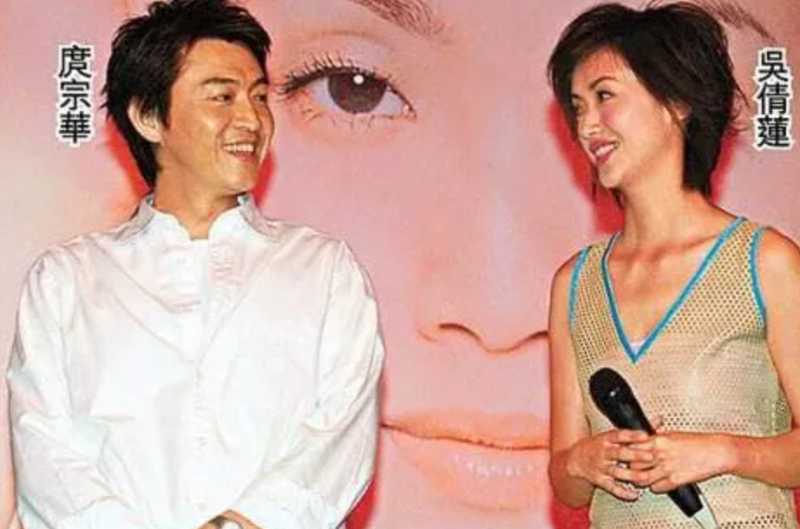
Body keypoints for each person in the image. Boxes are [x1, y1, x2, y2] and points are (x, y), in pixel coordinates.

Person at [6, 1, 384, 529]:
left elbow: (339, 440)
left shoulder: (324, 271)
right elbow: (47, 454)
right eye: (222, 96)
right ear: (148, 116)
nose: (251, 119)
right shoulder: (67, 281)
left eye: (258, 97)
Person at [547, 2, 800, 527]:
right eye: (577, 106)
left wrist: (724, 452)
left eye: (604, 96)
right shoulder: (576, 283)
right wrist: (581, 461)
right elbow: (565, 484)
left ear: (677, 102)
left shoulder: (764, 261)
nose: (587, 125)